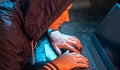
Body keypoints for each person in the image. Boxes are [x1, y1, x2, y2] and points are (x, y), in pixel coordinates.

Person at [0, 0, 88, 70]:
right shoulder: (7, 39)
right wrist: (53, 67)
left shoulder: (20, 7)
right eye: (64, 11)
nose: (67, 19)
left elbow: (38, 15)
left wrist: (51, 32)